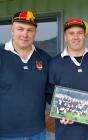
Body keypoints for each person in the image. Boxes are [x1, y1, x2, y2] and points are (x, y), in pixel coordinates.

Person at [49, 18, 88, 140]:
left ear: (84, 36)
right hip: (67, 132)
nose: (76, 37)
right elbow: (49, 93)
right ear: (65, 37)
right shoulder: (55, 63)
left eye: (80, 33)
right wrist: (60, 111)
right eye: (71, 33)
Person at [0, 11, 52, 140]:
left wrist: (70, 111)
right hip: (5, 134)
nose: (25, 34)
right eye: (20, 29)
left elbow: (51, 93)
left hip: (37, 133)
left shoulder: (45, 58)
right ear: (12, 29)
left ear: (35, 32)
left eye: (30, 30)